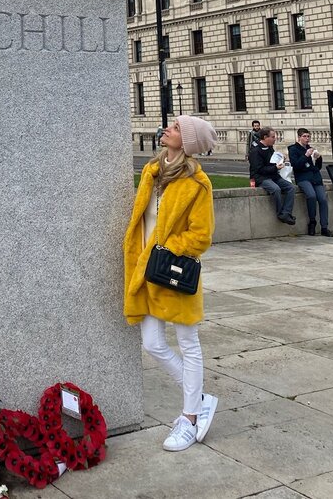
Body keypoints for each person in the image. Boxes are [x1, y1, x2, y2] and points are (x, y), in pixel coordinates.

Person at [124, 115, 218, 452]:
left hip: (171, 271)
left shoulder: (197, 183)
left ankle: (190, 418)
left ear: (188, 141)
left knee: (187, 342)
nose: (168, 129)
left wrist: (166, 249)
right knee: (151, 343)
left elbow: (201, 236)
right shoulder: (154, 172)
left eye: (176, 128)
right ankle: (200, 397)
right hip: (146, 271)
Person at [288, 129, 333, 237]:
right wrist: (306, 156)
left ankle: (324, 227)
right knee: (311, 195)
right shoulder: (293, 149)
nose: (307, 139)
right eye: (304, 136)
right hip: (303, 178)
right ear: (299, 137)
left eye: (308, 136)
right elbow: (296, 165)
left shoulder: (311, 149)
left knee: (322, 199)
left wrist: (318, 158)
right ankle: (312, 222)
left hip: (315, 177)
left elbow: (317, 167)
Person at [249, 126, 296, 224]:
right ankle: (280, 214)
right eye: (273, 137)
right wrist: (275, 168)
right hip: (260, 178)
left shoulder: (270, 148)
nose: (275, 139)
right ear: (265, 137)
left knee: (290, 187)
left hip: (273, 175)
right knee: (276, 189)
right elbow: (258, 169)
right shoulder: (256, 151)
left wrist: (281, 160)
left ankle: (286, 213)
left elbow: (273, 161)